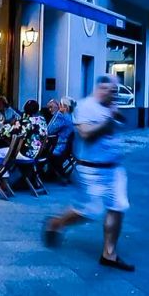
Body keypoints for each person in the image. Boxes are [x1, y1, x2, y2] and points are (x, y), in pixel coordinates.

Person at [44, 75, 134, 272]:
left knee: (118, 207)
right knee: (89, 212)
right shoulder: (85, 107)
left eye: (116, 91)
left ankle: (109, 254)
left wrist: (115, 116)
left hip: (114, 168)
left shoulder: (111, 106)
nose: (114, 94)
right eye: (110, 90)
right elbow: (85, 134)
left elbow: (119, 123)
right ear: (100, 88)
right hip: (91, 170)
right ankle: (56, 223)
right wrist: (107, 122)